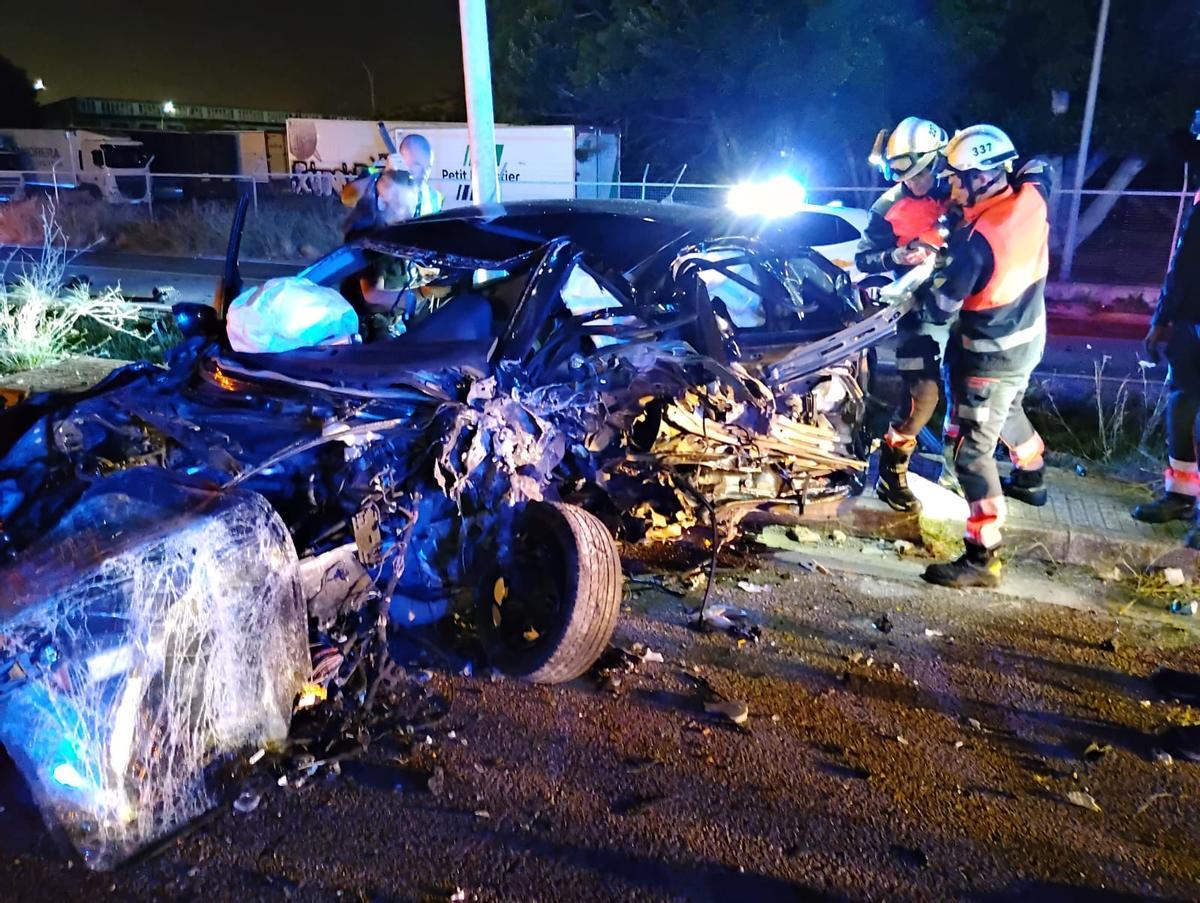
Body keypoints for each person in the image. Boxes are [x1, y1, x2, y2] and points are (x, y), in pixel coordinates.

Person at [918, 124, 1051, 588]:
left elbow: (938, 307)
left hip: (988, 358)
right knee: (1008, 409)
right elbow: (1039, 169)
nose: (951, 186)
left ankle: (982, 556)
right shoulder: (1030, 199)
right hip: (1026, 342)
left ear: (984, 176)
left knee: (972, 452)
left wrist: (912, 284)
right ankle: (1032, 475)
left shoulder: (977, 245)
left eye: (958, 177)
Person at [855, 116, 953, 512]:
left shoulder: (961, 192)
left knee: (969, 397)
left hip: (967, 308)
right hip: (918, 310)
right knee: (922, 396)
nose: (912, 183)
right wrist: (894, 256)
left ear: (937, 162)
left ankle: (960, 470)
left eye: (918, 175)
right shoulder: (888, 206)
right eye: (904, 177)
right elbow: (863, 259)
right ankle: (891, 474)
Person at [1132, 187, 1200, 544]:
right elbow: (1186, 262)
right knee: (1182, 408)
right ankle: (1180, 496)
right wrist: (1163, 318)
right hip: (1192, 322)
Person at [397, 133, 444, 217]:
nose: (424, 172)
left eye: (428, 167)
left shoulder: (436, 198)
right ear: (401, 161)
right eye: (417, 165)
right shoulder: (384, 191)